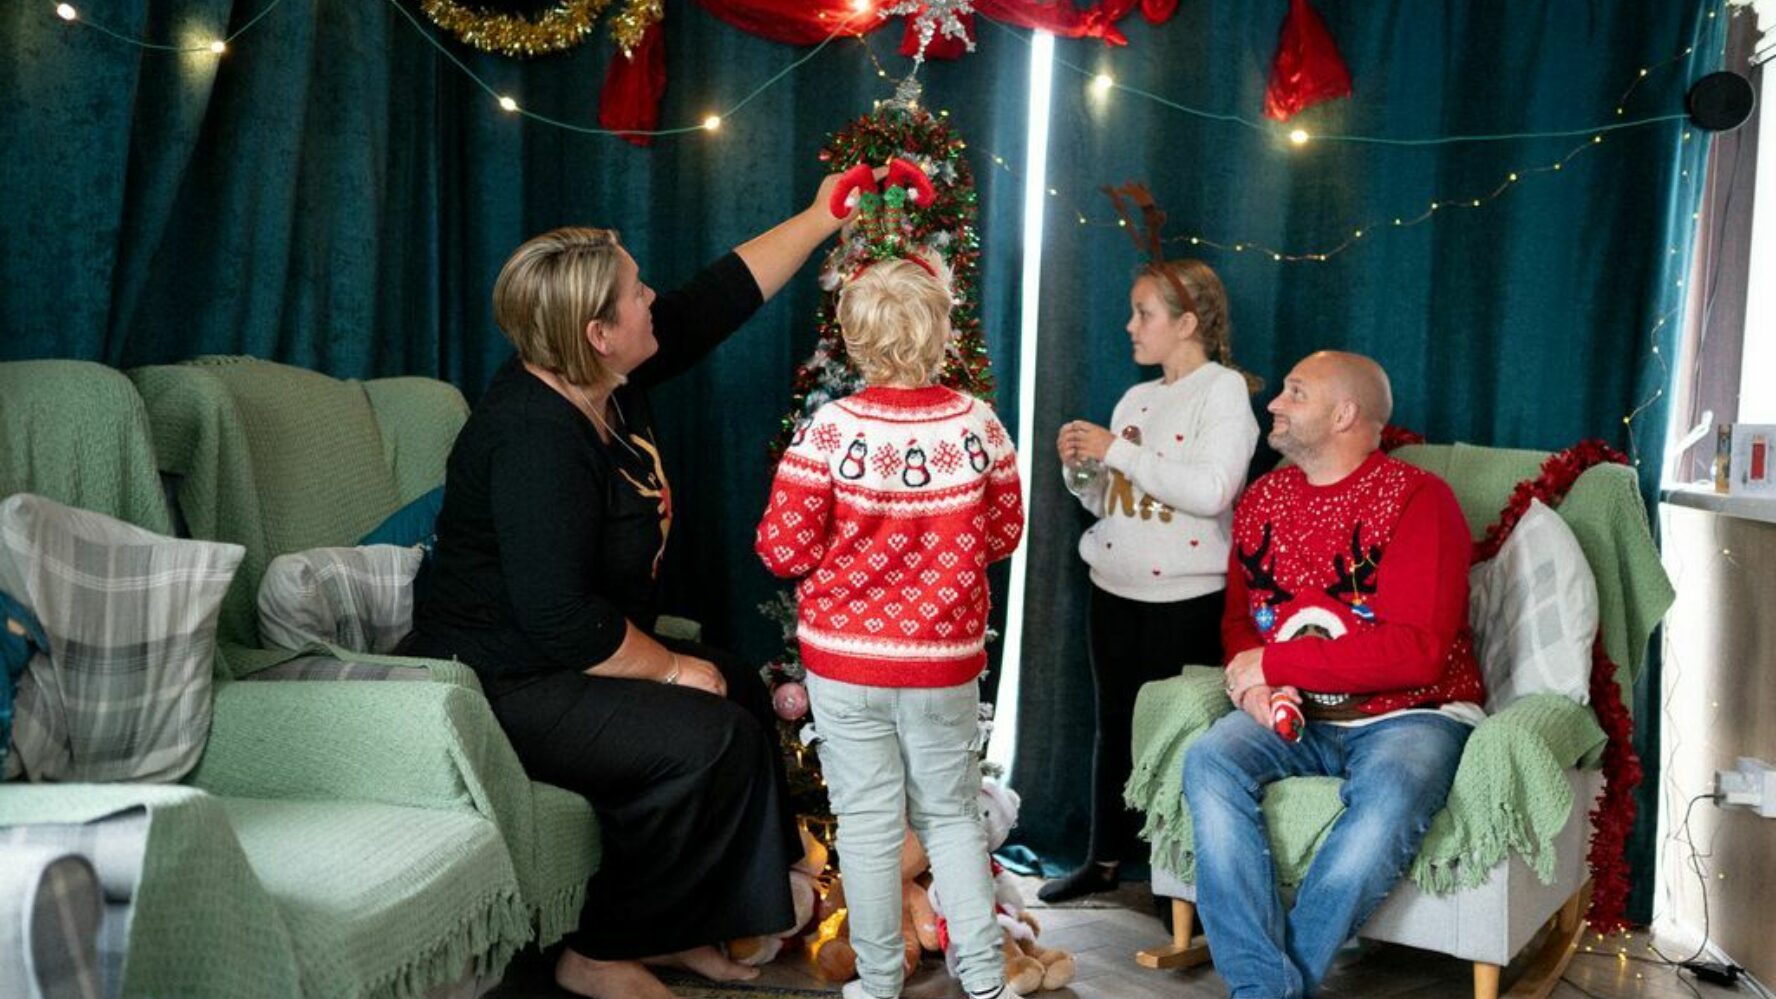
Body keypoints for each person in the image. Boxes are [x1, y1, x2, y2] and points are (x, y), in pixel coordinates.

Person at [402, 175, 859, 999]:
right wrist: (672, 670)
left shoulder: (608, 374)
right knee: (704, 729)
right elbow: (561, 620)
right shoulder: (533, 435)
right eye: (636, 291)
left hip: (563, 652)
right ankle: (600, 952)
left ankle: (679, 931)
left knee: (742, 694)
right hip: (500, 677)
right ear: (597, 332)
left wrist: (823, 216)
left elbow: (719, 296)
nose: (653, 298)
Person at [755, 251, 1024, 999]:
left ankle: (878, 985)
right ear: (941, 332)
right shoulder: (979, 425)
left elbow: (780, 548)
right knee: (952, 819)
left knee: (870, 825)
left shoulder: (830, 431)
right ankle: (985, 982)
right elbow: (1005, 533)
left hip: (845, 665)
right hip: (943, 660)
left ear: (852, 339)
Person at [1186, 350, 1487, 998]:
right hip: (1298, 711)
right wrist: (1255, 682)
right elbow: (1242, 623)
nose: (1274, 403)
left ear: (1345, 413)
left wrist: (1274, 661)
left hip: (1411, 712)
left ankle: (1264, 990)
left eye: (1295, 392)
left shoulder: (1419, 500)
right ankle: (1268, 987)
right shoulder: (1262, 498)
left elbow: (1417, 651)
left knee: (1392, 790)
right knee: (1210, 759)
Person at [1041, 259, 1260, 904]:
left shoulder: (1222, 392)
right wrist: (1082, 470)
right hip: (1114, 594)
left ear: (1187, 323)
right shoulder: (1137, 400)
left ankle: (1180, 886)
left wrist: (1117, 451)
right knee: (1115, 728)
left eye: (1145, 314)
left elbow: (1212, 489)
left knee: (1182, 737)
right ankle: (1103, 859)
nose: (1130, 326)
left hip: (1186, 604)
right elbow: (1111, 498)